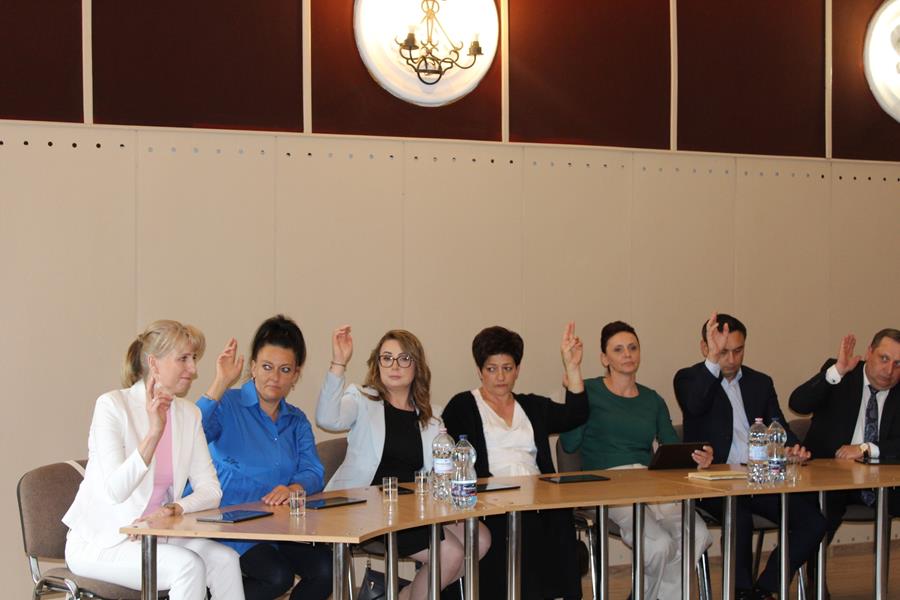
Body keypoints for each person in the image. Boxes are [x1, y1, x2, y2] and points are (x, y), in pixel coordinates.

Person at [62, 320, 244, 600]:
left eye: (194, 359)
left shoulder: (189, 414)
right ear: (154, 363)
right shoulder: (112, 406)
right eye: (183, 359)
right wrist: (154, 433)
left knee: (226, 560)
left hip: (157, 536)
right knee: (188, 567)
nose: (193, 369)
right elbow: (115, 490)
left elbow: (211, 490)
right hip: (103, 541)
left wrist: (174, 508)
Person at [316, 326, 490, 600]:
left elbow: (441, 473)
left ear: (416, 365)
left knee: (480, 539)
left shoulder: (432, 418)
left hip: (411, 508)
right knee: (450, 553)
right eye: (387, 358)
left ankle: (406, 594)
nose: (394, 365)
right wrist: (339, 363)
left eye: (403, 358)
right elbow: (327, 418)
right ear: (377, 364)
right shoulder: (361, 399)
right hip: (366, 508)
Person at [674, 313, 826, 600]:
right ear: (705, 347)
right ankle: (741, 591)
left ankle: (766, 588)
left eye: (738, 350)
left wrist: (792, 448)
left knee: (813, 521)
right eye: (723, 351)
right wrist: (713, 362)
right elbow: (695, 405)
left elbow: (778, 425)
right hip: (714, 482)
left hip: (759, 477)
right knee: (739, 518)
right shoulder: (689, 379)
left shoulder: (760, 382)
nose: (732, 359)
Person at [561, 320, 713, 600]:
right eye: (618, 350)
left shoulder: (652, 399)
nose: (627, 354)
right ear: (605, 358)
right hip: (607, 484)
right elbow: (569, 444)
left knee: (698, 536)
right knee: (659, 546)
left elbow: (672, 448)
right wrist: (575, 391)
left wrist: (699, 457)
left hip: (649, 481)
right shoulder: (589, 390)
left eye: (632, 347)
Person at [441, 323, 589, 600]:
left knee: (559, 517)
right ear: (480, 371)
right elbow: (450, 459)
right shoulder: (462, 406)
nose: (500, 376)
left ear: (517, 370)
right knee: (518, 527)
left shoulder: (531, 406)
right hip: (490, 501)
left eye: (507, 368)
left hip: (538, 495)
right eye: (492, 369)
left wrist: (572, 367)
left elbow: (576, 414)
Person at [198, 315, 331, 600]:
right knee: (276, 576)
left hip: (278, 526)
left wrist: (294, 488)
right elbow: (192, 433)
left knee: (326, 568)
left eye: (285, 370)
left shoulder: (297, 420)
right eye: (267, 367)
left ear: (296, 375)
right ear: (253, 366)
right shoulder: (228, 403)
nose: (275, 377)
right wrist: (220, 383)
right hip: (230, 525)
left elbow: (314, 472)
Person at [789, 328, 900, 538]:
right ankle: (801, 560)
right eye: (884, 359)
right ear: (869, 352)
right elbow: (798, 404)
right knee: (817, 521)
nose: (889, 370)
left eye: (898, 364)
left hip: (883, 483)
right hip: (831, 480)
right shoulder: (841, 375)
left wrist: (867, 448)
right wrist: (837, 371)